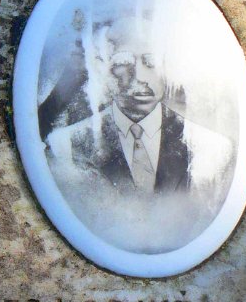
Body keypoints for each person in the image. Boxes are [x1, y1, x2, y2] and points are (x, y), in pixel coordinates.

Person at [44, 14, 235, 252]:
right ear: (100, 68)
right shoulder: (66, 147)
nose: (140, 79)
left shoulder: (213, 147)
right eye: (122, 63)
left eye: (151, 62)